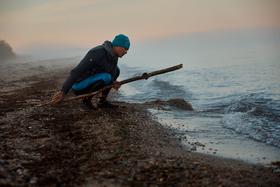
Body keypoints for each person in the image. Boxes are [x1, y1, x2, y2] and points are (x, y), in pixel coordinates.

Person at [50, 34, 130, 110]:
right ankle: (85, 101)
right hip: (79, 85)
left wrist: (113, 83)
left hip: (92, 80)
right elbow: (76, 71)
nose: (126, 52)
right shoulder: (98, 52)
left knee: (116, 70)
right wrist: (63, 91)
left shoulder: (114, 56)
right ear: (118, 45)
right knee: (106, 77)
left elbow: (112, 74)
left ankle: (102, 102)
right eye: (125, 48)